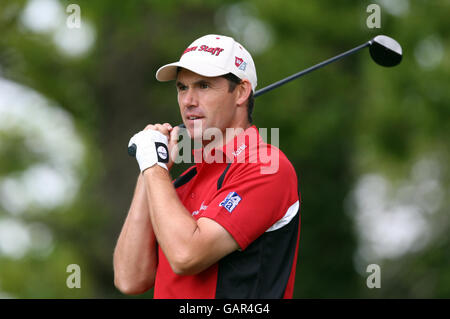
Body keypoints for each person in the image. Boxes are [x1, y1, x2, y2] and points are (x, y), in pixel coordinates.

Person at [113, 34, 301, 298]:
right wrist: (151, 170)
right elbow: (129, 278)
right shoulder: (181, 180)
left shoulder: (267, 167)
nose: (188, 101)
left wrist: (154, 167)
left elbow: (186, 255)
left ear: (242, 92)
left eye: (203, 86)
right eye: (182, 88)